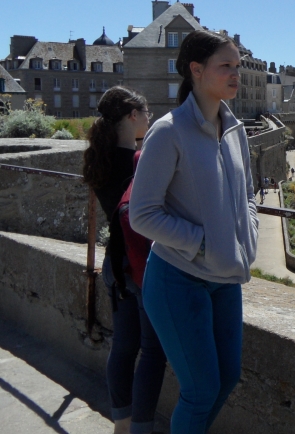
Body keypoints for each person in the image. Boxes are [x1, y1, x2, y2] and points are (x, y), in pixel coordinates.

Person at [130, 30, 259, 434]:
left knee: (227, 378)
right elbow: (142, 214)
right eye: (226, 66)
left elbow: (248, 193)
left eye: (237, 66)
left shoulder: (235, 129)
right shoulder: (169, 131)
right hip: (178, 277)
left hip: (226, 277)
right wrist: (202, 243)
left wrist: (247, 236)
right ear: (196, 70)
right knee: (200, 390)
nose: (235, 74)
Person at [82, 87, 166, 434]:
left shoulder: (99, 160)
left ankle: (122, 424)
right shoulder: (138, 162)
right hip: (142, 266)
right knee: (153, 352)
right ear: (133, 116)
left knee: (123, 347)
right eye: (146, 113)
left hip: (115, 265)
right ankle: (140, 429)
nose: (149, 119)